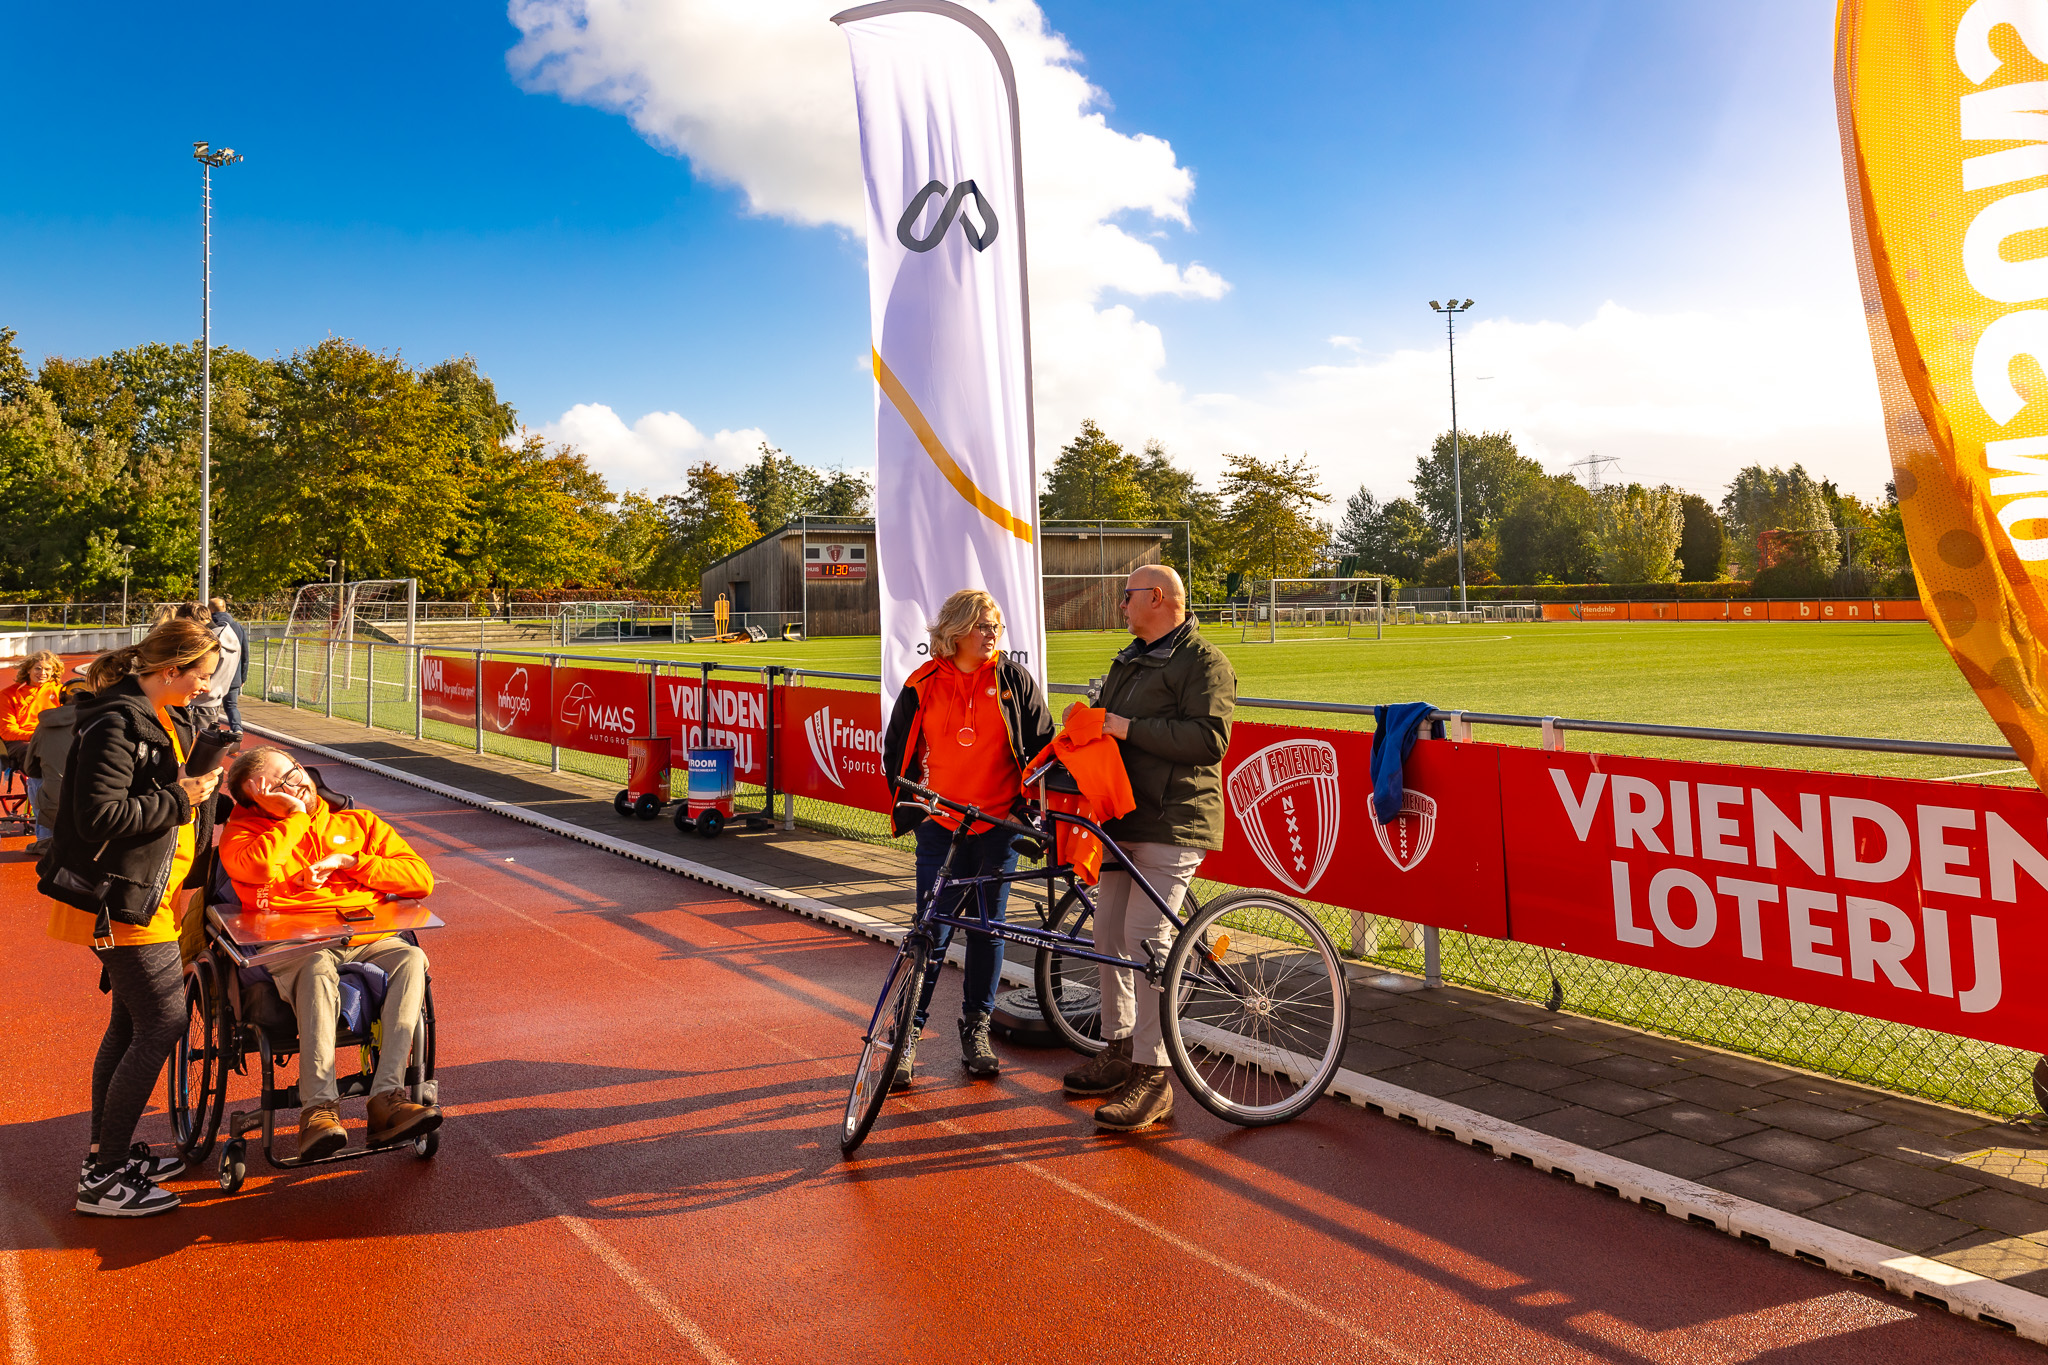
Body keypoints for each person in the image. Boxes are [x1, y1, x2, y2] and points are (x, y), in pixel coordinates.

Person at [40, 620, 223, 1217]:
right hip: (119, 899)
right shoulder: (117, 721)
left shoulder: (166, 715)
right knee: (163, 1022)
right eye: (201, 675)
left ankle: (106, 1156)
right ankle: (103, 1177)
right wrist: (181, 799)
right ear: (171, 670)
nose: (206, 687)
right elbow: (98, 816)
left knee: (129, 1024)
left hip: (149, 893)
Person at [1060, 564, 1236, 1132]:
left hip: (1173, 820)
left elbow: (1210, 739)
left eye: (1127, 595)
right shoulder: (1129, 659)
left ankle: (1155, 1075)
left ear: (1156, 598)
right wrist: (1087, 725)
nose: (1121, 605)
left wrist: (1124, 726)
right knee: (1108, 935)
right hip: (1122, 815)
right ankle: (1119, 1047)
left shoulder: (1204, 662)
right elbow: (1111, 728)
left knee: (1145, 940)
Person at [219, 746, 442, 1156]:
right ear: (255, 793)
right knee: (317, 965)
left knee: (411, 958)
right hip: (293, 944)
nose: (298, 784)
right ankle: (318, 1109)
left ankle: (387, 1097)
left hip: (363, 937)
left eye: (296, 771)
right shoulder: (243, 836)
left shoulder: (359, 823)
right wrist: (294, 817)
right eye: (282, 783)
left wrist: (351, 862)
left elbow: (420, 879)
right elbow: (261, 869)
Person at [881, 589, 1054, 1088]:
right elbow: (896, 755)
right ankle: (907, 1035)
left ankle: (976, 1029)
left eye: (996, 625)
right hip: (942, 829)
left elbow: (1043, 748)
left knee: (987, 930)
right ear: (956, 630)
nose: (992, 633)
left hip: (998, 828)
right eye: (983, 625)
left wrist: (1025, 810)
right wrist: (917, 804)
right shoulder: (922, 683)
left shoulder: (1013, 680)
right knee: (930, 933)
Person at [23, 678, 92, 855]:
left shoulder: (45, 724)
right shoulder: (107, 720)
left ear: (61, 698)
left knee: (35, 779)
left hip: (55, 806)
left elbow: (30, 767)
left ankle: (46, 839)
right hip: (98, 806)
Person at [2, 650, 65, 843]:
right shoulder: (8, 695)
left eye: (47, 669)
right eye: (38, 668)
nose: (42, 673)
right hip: (21, 742)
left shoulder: (61, 692)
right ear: (28, 670)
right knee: (39, 764)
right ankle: (45, 837)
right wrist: (38, 736)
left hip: (54, 739)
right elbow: (7, 731)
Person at [174, 601, 236, 732]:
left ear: (189, 620)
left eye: (182, 625)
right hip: (213, 702)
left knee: (191, 743)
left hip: (196, 704)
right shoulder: (230, 636)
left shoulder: (207, 643)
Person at [206, 597, 248, 737]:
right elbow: (245, 653)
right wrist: (243, 676)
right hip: (233, 674)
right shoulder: (237, 627)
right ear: (225, 608)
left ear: (210, 609)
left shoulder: (209, 626)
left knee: (211, 705)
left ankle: (209, 732)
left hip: (214, 673)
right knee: (231, 706)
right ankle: (237, 729)